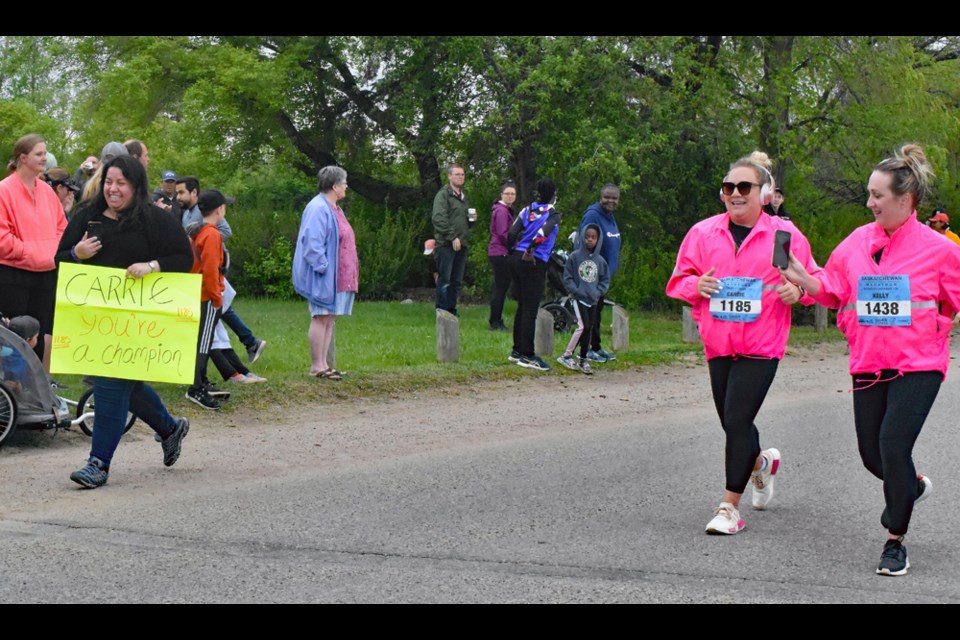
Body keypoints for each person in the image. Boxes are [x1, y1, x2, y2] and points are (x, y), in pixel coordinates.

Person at [781, 144, 960, 576]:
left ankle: (895, 540)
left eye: (877, 195)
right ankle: (910, 487)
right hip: (868, 361)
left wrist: (941, 324)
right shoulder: (858, 241)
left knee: (892, 445)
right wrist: (806, 280)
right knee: (870, 454)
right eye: (869, 193)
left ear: (905, 200)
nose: (869, 202)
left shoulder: (940, 249)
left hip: (919, 365)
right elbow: (832, 285)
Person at [666, 151, 818, 535]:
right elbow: (678, 281)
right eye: (729, 187)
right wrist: (695, 286)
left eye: (744, 187)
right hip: (719, 344)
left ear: (763, 193)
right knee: (733, 422)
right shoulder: (703, 233)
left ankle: (728, 507)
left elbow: (815, 282)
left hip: (762, 345)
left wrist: (797, 292)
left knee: (736, 419)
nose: (735, 193)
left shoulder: (782, 236)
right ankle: (761, 463)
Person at [56, 154, 193, 489]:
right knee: (121, 385)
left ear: (135, 186)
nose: (113, 189)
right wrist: (78, 254)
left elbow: (185, 259)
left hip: (138, 323)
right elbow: (59, 260)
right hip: (95, 322)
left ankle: (98, 464)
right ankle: (170, 428)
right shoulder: (86, 216)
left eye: (121, 183)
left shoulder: (152, 219)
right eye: (108, 182)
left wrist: (152, 266)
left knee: (110, 385)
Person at [176, 175, 266, 363]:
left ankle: (244, 347)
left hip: (211, 268)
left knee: (219, 308)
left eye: (181, 192)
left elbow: (224, 231)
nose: (178, 196)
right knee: (220, 310)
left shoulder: (206, 217)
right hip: (200, 272)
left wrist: (201, 242)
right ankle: (246, 346)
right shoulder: (186, 213)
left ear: (194, 193)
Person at [0, 134, 67, 371]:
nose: (44, 158)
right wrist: (33, 253)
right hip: (13, 275)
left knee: (39, 333)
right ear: (23, 157)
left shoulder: (48, 193)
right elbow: (2, 238)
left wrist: (51, 253)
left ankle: (34, 389)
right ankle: (9, 389)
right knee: (13, 336)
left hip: (46, 275)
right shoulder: (4, 191)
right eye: (39, 153)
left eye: (44, 153)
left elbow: (62, 227)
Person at [293, 165, 359, 380]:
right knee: (320, 316)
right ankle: (316, 366)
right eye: (344, 182)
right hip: (324, 275)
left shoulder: (333, 208)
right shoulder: (318, 208)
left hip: (336, 276)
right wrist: (323, 268)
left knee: (329, 318)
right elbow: (312, 243)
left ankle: (324, 364)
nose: (346, 186)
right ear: (334, 186)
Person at [506, 177, 562, 372]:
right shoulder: (553, 214)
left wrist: (513, 251)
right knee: (530, 309)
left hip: (515, 257)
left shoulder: (527, 210)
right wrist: (530, 251)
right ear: (554, 195)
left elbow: (512, 233)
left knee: (522, 306)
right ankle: (528, 355)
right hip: (533, 260)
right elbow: (542, 234)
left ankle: (517, 350)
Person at [185, 189, 233, 410]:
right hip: (206, 296)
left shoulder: (198, 231)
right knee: (203, 344)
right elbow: (211, 269)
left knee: (199, 341)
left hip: (196, 293)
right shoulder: (212, 234)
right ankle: (195, 388)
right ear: (219, 210)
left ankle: (201, 380)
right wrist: (216, 298)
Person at [557, 223, 609, 375]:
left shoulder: (600, 261)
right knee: (582, 326)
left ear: (598, 239)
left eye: (593, 237)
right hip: (578, 298)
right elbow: (568, 277)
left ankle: (583, 359)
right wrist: (576, 290)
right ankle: (566, 355)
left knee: (589, 328)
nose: (589, 240)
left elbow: (605, 279)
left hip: (593, 299)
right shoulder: (574, 257)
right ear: (582, 237)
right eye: (587, 237)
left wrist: (598, 292)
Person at [578, 184, 622, 363]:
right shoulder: (593, 215)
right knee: (590, 314)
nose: (610, 201)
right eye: (607, 197)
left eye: (614, 198)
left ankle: (596, 346)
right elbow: (585, 242)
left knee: (598, 312)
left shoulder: (610, 217)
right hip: (592, 274)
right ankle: (586, 349)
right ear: (600, 197)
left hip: (604, 276)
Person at [432, 163, 472, 316]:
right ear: (449, 176)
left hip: (462, 243)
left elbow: (461, 220)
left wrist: (471, 220)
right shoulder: (443, 195)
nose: (460, 177)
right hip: (446, 244)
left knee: (456, 281)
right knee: (445, 280)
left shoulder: (463, 197)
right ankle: (442, 312)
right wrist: (452, 236)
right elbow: (438, 218)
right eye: (457, 174)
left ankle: (452, 310)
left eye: (462, 174)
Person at [488, 180, 517, 331]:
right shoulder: (501, 211)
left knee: (501, 288)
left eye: (513, 194)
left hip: (501, 251)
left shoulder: (506, 210)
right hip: (500, 252)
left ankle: (496, 319)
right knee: (500, 288)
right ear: (501, 195)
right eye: (507, 193)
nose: (510, 196)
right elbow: (502, 234)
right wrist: (515, 246)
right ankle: (495, 321)